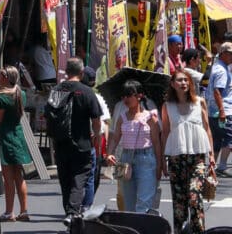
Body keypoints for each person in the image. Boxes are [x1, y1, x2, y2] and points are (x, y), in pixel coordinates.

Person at [48, 57, 102, 226]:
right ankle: (72, 213)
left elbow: (49, 116)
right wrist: (96, 134)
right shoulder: (86, 91)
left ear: (67, 71)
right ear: (81, 72)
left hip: (61, 143)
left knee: (65, 179)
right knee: (79, 179)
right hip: (82, 142)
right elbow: (96, 118)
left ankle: (69, 213)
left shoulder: (57, 90)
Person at [161, 67, 214, 234]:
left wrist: (211, 155)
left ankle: (199, 231)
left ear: (190, 83)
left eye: (186, 80)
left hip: (198, 157)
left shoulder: (199, 102)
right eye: (179, 80)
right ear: (172, 84)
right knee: (179, 202)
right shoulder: (167, 106)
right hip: (176, 157)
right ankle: (180, 231)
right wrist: (163, 159)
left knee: (193, 195)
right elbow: (166, 133)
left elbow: (207, 129)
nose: (183, 83)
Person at [105, 80, 162, 213]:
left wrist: (160, 165)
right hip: (125, 158)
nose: (126, 99)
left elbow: (156, 142)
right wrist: (109, 153)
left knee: (143, 202)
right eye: (123, 96)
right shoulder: (122, 117)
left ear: (139, 96)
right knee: (128, 202)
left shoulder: (150, 117)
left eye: (129, 95)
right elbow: (115, 138)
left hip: (146, 158)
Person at [0, 66, 31, 221]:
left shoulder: (1, 97)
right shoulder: (21, 94)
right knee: (19, 176)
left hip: (5, 136)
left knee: (8, 177)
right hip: (18, 134)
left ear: (6, 78)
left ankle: (9, 212)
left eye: (1, 75)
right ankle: (24, 211)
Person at [81, 67, 111, 211]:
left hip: (81, 139)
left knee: (81, 175)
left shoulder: (72, 94)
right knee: (91, 176)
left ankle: (80, 205)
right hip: (95, 139)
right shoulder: (98, 98)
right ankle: (87, 205)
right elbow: (104, 123)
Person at [205, 41, 232, 173]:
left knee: (217, 139)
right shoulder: (221, 70)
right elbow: (217, 91)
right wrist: (222, 111)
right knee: (229, 137)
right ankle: (221, 166)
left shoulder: (218, 67)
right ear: (223, 54)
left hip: (213, 110)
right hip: (223, 110)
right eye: (230, 54)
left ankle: (212, 165)